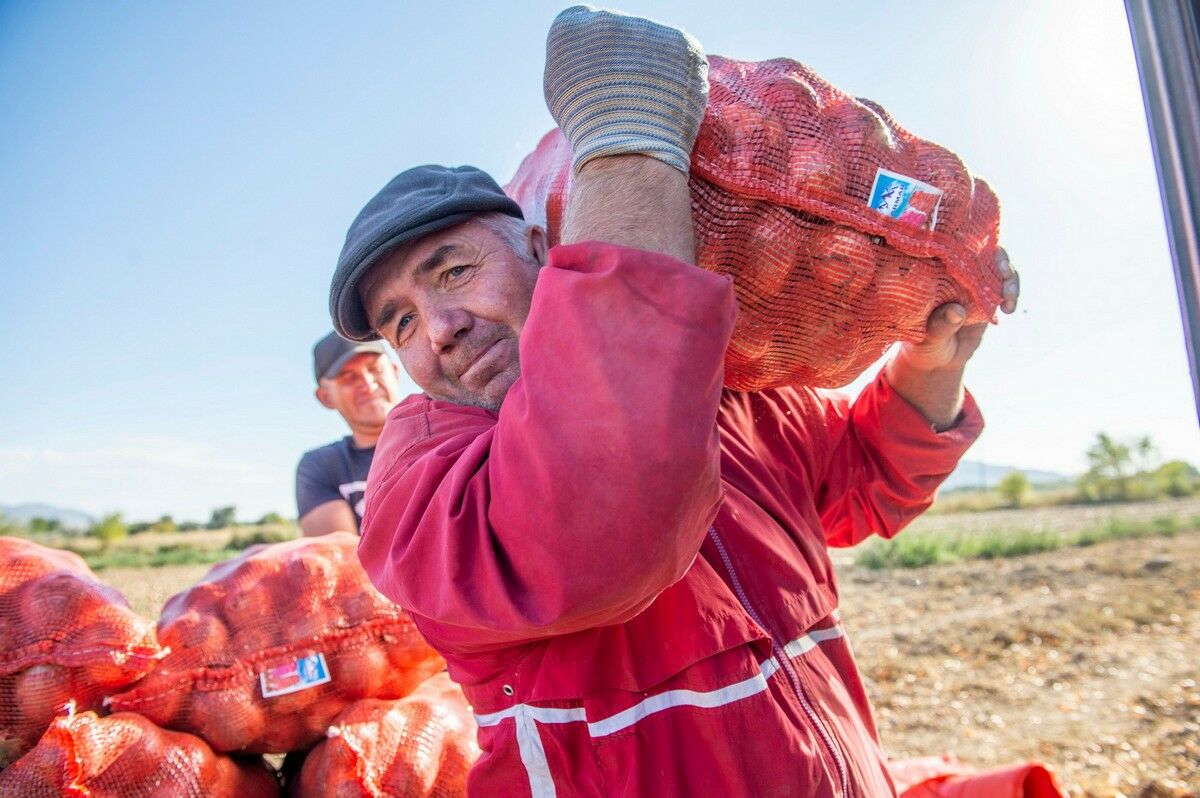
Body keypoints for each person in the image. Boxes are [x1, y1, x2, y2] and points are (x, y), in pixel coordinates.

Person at [328, 7, 1020, 796]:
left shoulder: (731, 389)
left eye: (452, 273)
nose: (440, 331)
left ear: (541, 246)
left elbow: (863, 487)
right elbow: (603, 523)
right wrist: (630, 148)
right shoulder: (421, 479)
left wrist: (934, 365)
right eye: (401, 323)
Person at [295, 331, 404, 536]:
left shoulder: (450, 430)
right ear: (325, 397)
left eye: (375, 369)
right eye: (349, 378)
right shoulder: (320, 466)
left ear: (395, 371)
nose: (368, 384)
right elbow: (339, 560)